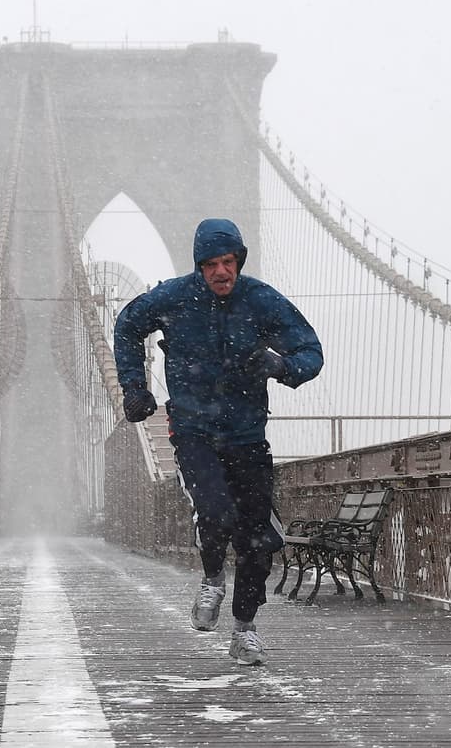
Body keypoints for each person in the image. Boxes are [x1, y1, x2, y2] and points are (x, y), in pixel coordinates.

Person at [113, 217, 323, 666]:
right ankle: (212, 579)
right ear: (199, 266)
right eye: (210, 264)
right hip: (194, 432)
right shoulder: (174, 296)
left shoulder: (261, 300)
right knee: (216, 512)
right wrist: (134, 386)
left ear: (239, 262)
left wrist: (280, 365)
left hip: (248, 436)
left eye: (228, 262)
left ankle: (244, 628)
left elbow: (311, 352)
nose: (221, 272)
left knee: (260, 539)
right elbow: (127, 324)